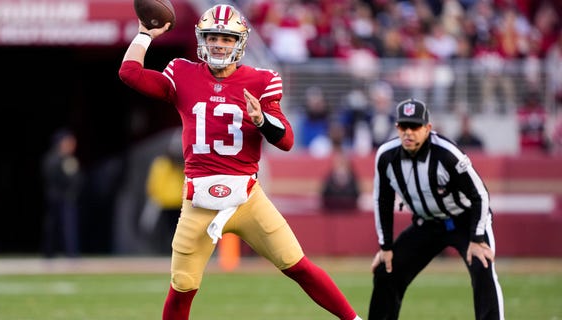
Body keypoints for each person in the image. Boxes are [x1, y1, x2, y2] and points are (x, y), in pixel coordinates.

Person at [119, 4, 362, 320]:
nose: (219, 43)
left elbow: (286, 141)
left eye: (227, 38)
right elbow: (130, 73)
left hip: (248, 199)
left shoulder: (261, 81)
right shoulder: (183, 73)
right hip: (199, 201)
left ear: (240, 43)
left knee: (297, 265)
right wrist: (143, 35)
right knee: (182, 286)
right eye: (213, 37)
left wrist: (262, 120)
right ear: (201, 40)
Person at [369, 99, 504, 320]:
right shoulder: (386, 156)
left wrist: (477, 238)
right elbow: (382, 200)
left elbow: (480, 194)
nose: (409, 133)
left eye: (415, 126)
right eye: (404, 126)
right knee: (387, 270)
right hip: (426, 223)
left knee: (483, 264)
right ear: (397, 128)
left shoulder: (447, 153)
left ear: (428, 128)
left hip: (464, 220)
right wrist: (385, 247)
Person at [41, 129, 82, 258]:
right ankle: (49, 253)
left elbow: (77, 179)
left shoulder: (69, 159)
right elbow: (51, 177)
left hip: (67, 198)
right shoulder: (53, 159)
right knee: (53, 227)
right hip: (55, 198)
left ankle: (71, 253)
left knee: (68, 226)